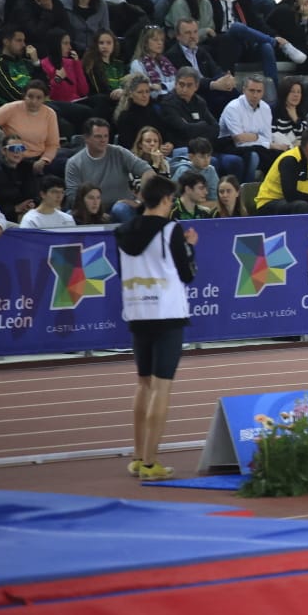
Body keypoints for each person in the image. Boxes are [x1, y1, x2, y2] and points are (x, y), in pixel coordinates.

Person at [118, 174, 198, 481]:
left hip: (137, 310)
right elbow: (187, 274)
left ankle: (139, 457)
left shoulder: (122, 230)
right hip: (166, 313)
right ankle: (151, 463)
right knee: (162, 386)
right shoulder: (170, 230)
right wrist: (190, 247)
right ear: (166, 200)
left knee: (143, 383)